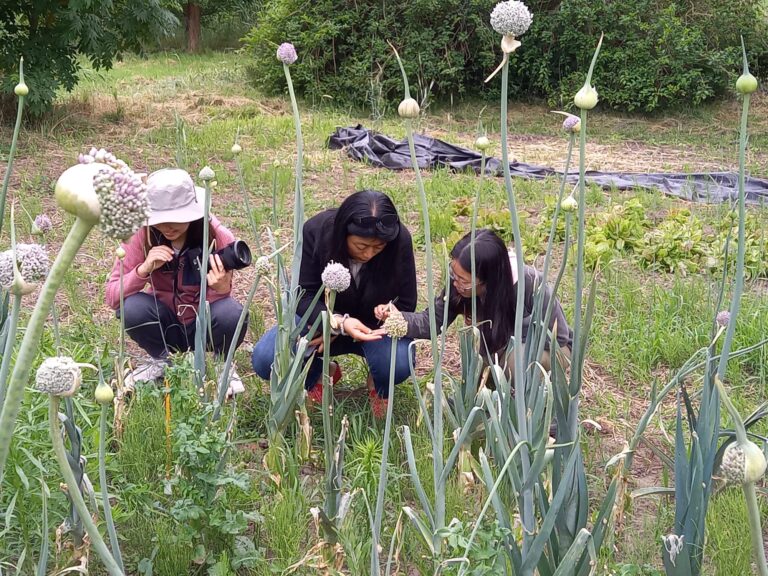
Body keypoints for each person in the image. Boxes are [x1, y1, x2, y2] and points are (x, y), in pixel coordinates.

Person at [251, 190, 417, 418]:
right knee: (267, 359)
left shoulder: (399, 241)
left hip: (372, 329)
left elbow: (407, 303)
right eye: (361, 246)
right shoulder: (316, 231)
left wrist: (390, 313)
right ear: (343, 233)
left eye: (378, 248)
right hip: (321, 323)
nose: (369, 254)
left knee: (397, 363)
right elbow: (303, 295)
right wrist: (334, 323)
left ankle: (378, 384)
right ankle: (319, 374)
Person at [105, 168, 248, 393]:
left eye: (177, 218)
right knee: (130, 307)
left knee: (232, 313)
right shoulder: (141, 235)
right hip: (165, 321)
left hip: (203, 320)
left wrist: (221, 289)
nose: (168, 226)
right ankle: (161, 360)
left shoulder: (216, 234)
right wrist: (143, 270)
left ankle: (222, 366)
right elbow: (112, 297)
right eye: (160, 219)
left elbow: (223, 300)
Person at [375, 229, 572, 382]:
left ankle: (533, 408)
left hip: (548, 351)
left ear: (490, 280)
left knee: (514, 361)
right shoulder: (460, 284)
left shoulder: (530, 283)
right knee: (482, 352)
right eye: (454, 275)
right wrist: (399, 317)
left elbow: (559, 337)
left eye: (464, 280)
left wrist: (504, 335)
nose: (456, 284)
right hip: (496, 346)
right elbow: (432, 322)